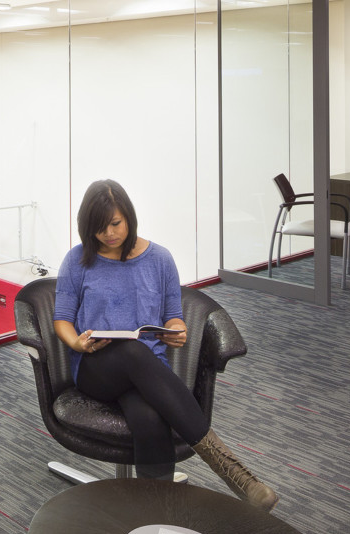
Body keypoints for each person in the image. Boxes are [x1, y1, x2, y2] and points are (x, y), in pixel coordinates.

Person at [54, 179, 278, 511]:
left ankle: (154, 510)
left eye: (114, 224)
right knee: (132, 352)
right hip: (95, 368)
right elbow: (62, 318)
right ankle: (232, 471)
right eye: (99, 228)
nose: (108, 234)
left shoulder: (159, 259)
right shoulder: (78, 260)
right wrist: (78, 341)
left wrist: (177, 330)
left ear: (128, 217)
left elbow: (174, 316)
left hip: (147, 369)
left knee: (149, 416)